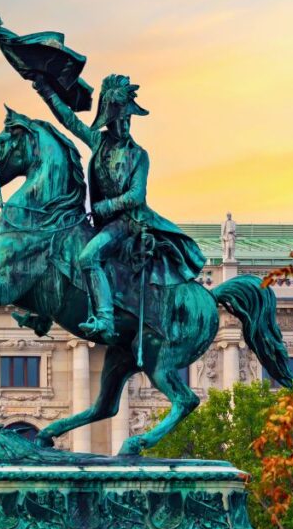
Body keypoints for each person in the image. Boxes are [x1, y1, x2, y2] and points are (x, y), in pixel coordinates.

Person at [33, 74, 205, 341]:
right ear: (108, 121)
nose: (125, 125)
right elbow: (69, 120)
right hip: (103, 223)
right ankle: (43, 313)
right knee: (58, 248)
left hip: (130, 222)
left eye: (128, 119)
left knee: (88, 257)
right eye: (120, 119)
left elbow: (136, 196)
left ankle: (104, 318)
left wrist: (104, 207)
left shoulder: (138, 155)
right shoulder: (98, 142)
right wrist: (45, 89)